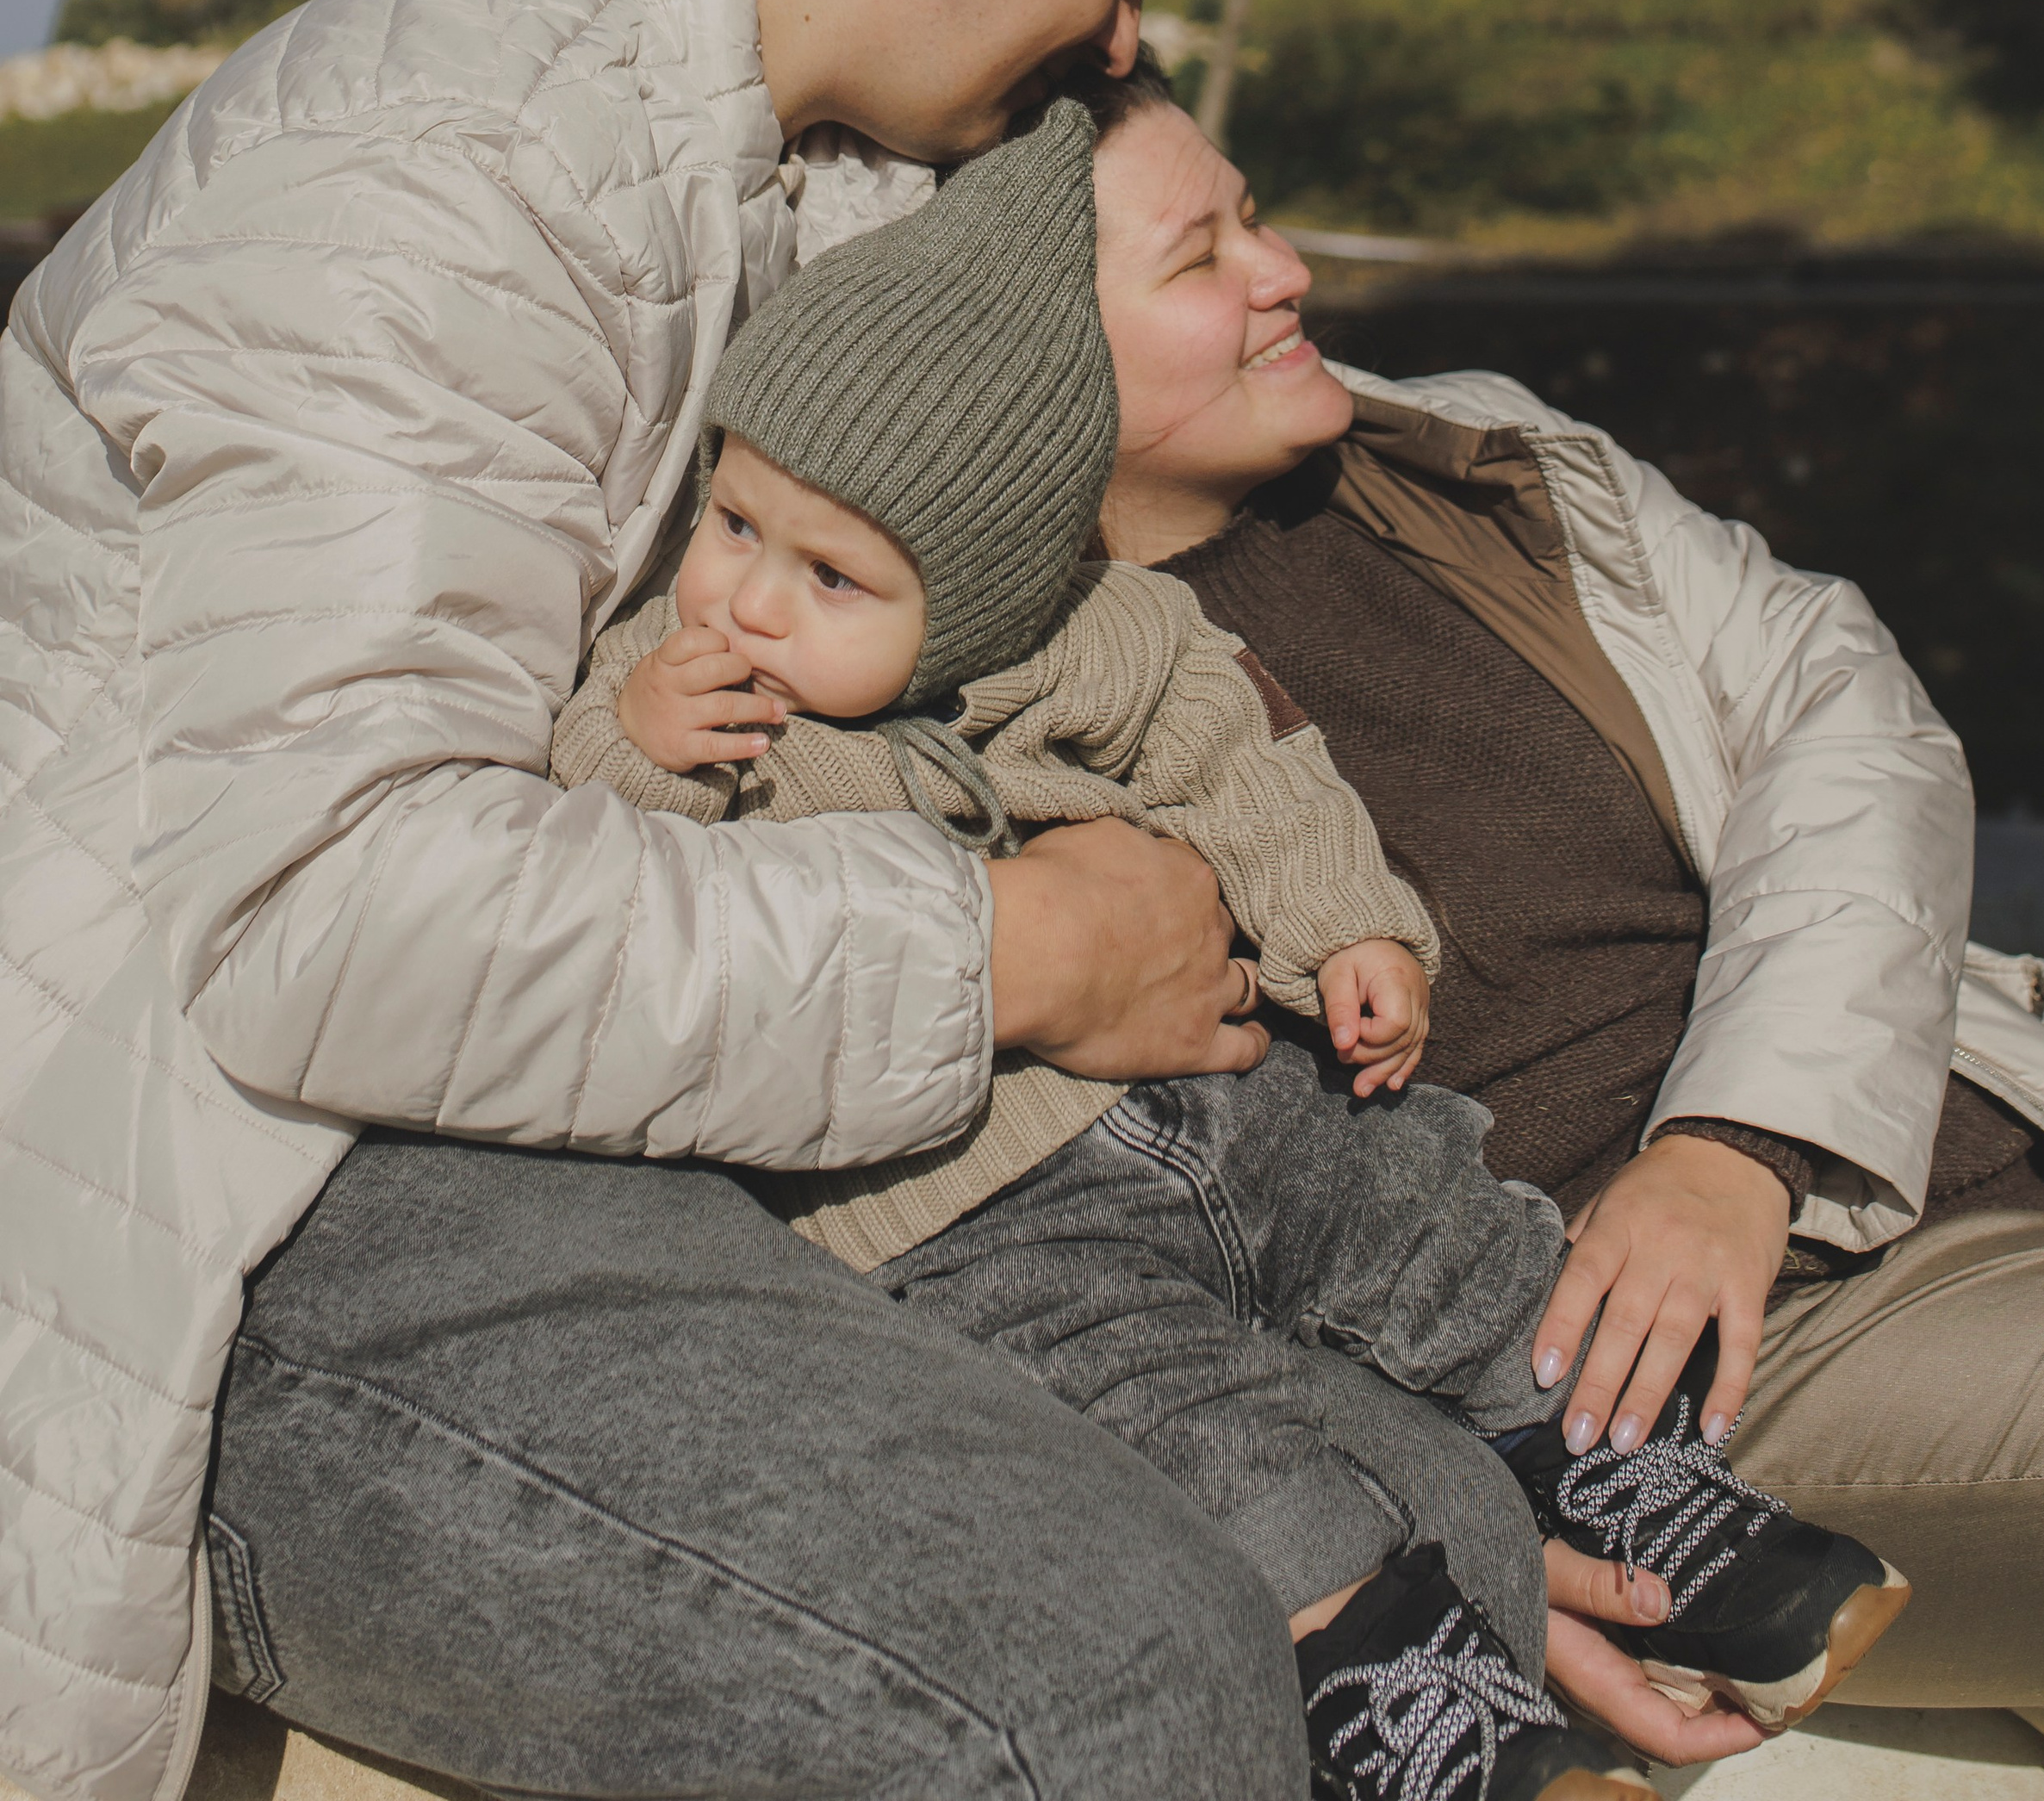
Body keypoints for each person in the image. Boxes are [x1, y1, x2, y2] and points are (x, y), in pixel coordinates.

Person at [0, 0, 1342, 1801]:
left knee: (1360, 1475)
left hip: (521, 1112)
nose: (1125, 33)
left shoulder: (811, 152)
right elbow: (322, 932)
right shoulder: (441, 166)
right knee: (1109, 1685)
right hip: (221, 1187)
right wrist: (998, 951)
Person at [555, 92, 1906, 1799]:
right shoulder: (692, 702)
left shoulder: (1104, 632)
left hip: (1246, 1100)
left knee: (1433, 1208)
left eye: (826, 572)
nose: (745, 595)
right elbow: (589, 892)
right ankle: (1433, 1720)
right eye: (732, 528)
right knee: (1185, 1426)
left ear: (981, 575)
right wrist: (642, 749)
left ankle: (1641, 1490)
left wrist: (1351, 925)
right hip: (972, 1205)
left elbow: (1243, 763)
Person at [1078, 54, 2044, 1789]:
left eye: (1254, 214)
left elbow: (1843, 713)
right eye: (1196, 256)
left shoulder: (1450, 461)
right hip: (1681, 1392)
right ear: (1020, 353)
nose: (1283, 265)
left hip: (1975, 1146)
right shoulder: (1014, 724)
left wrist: (1734, 1140)